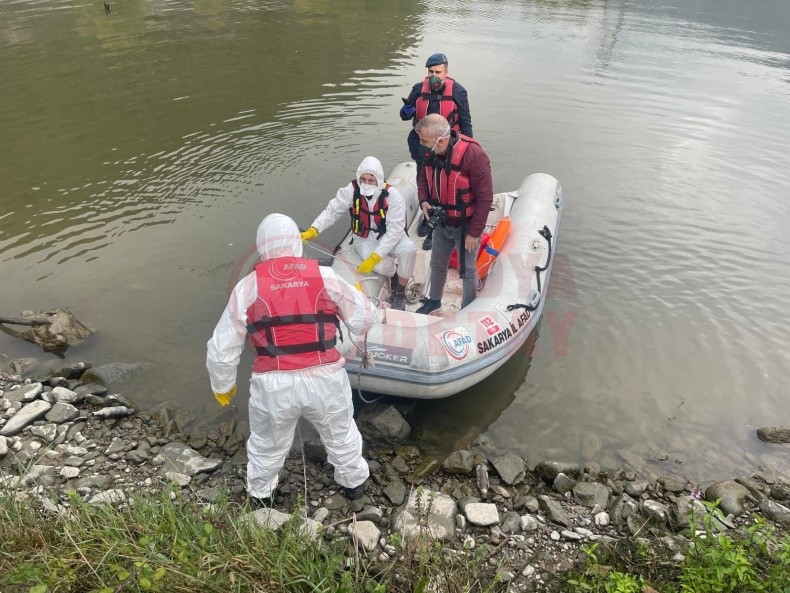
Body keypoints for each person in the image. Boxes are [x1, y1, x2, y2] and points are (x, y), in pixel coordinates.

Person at [206, 213, 377, 505]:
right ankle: (354, 485)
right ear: (295, 242)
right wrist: (358, 297)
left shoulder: (248, 287)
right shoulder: (325, 276)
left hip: (274, 385)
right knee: (340, 434)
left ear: (262, 245)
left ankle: (261, 495)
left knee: (267, 444)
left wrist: (223, 386)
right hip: (326, 379)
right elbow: (363, 320)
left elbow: (222, 347)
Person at [299, 157, 416, 311]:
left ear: (379, 180)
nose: (366, 183)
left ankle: (399, 293)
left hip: (390, 237)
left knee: (409, 249)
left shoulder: (392, 196)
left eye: (371, 180)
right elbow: (333, 211)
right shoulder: (351, 191)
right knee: (384, 267)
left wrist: (376, 255)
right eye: (363, 179)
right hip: (364, 239)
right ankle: (394, 273)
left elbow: (395, 230)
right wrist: (314, 229)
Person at [414, 114, 493, 315]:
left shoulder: (473, 155)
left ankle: (468, 309)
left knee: (467, 272)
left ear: (440, 140)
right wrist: (423, 199)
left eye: (424, 141)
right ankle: (434, 301)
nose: (421, 145)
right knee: (437, 263)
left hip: (466, 226)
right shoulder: (430, 153)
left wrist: (474, 233)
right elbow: (423, 178)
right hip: (441, 223)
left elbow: (485, 198)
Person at [399, 53, 473, 250]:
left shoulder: (458, 91)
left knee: (443, 183)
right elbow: (405, 114)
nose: (434, 76)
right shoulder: (418, 89)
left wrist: (467, 149)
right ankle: (427, 216)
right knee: (423, 180)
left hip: (445, 147)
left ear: (446, 72)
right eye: (430, 72)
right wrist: (405, 112)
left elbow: (465, 123)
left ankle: (439, 225)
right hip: (422, 145)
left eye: (438, 72)